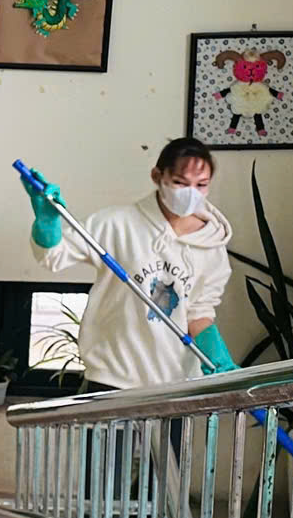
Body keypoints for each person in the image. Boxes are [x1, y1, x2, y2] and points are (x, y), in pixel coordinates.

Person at [28, 135, 234, 391]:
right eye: (180, 182)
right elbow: (54, 256)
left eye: (201, 185)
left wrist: (216, 353)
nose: (191, 194)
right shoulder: (117, 223)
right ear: (157, 176)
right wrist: (48, 223)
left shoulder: (212, 245)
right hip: (111, 374)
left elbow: (199, 312)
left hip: (176, 380)